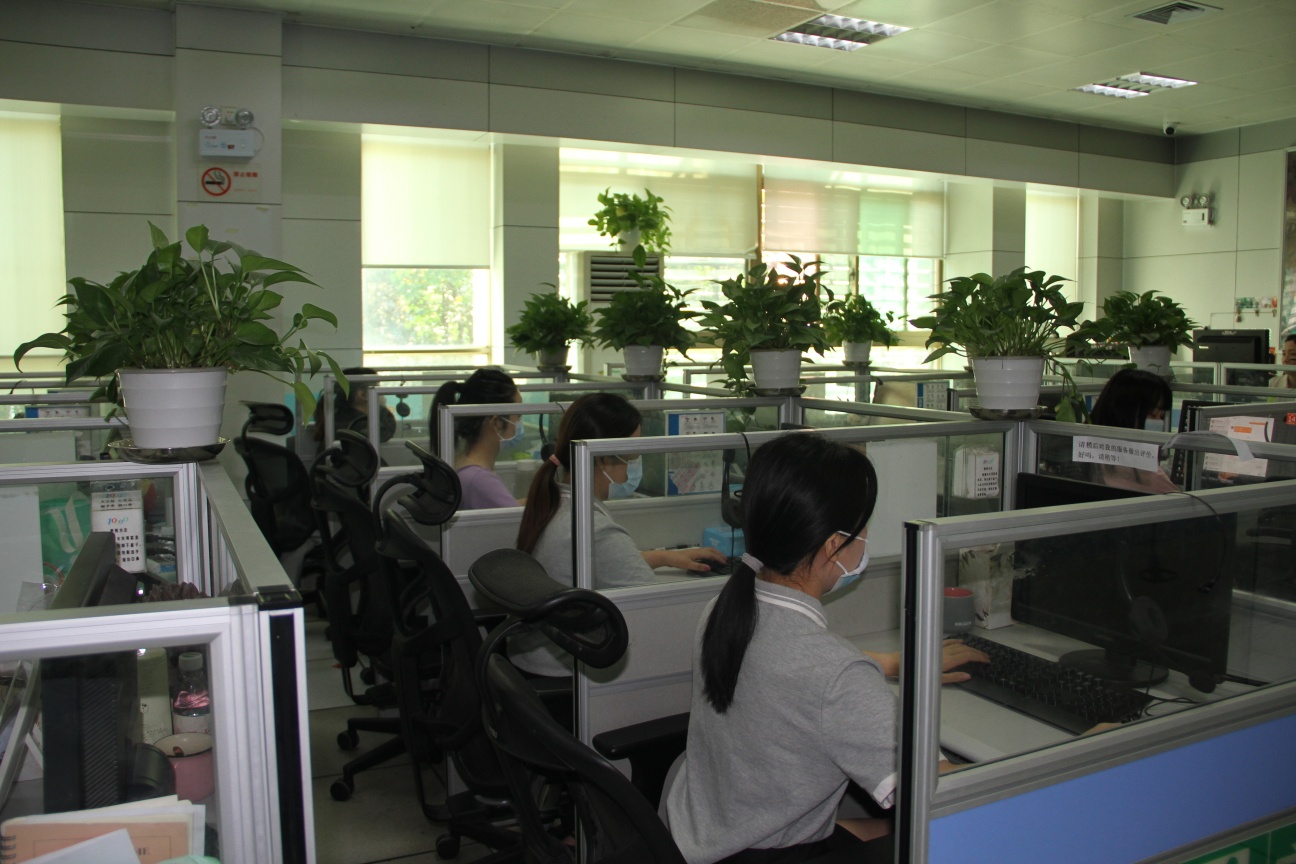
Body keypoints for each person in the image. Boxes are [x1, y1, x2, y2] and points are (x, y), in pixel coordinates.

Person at [662, 433, 988, 864]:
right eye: (863, 527)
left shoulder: (724, 611)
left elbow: (793, 673)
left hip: (706, 835)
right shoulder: (836, 678)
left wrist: (887, 663)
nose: (866, 537)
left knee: (881, 828)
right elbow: (945, 796)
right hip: (770, 852)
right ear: (834, 545)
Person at [513, 392, 726, 675]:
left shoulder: (557, 500)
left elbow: (594, 562)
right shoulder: (592, 525)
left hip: (534, 659)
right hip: (567, 674)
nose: (635, 463)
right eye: (631, 455)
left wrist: (665, 557)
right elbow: (654, 607)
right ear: (603, 459)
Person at [429, 368, 526, 509]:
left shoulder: (462, 463)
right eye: (518, 416)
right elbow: (517, 521)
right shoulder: (479, 479)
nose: (519, 423)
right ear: (497, 423)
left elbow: (504, 509)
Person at [1088, 368, 1178, 493]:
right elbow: (1180, 499)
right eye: (1152, 414)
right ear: (1125, 412)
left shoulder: (1090, 451)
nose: (1159, 422)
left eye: (1161, 416)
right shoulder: (1139, 469)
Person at [312, 366, 397, 448]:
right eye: (378, 389)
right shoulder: (359, 428)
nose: (383, 395)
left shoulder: (340, 420)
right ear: (363, 394)